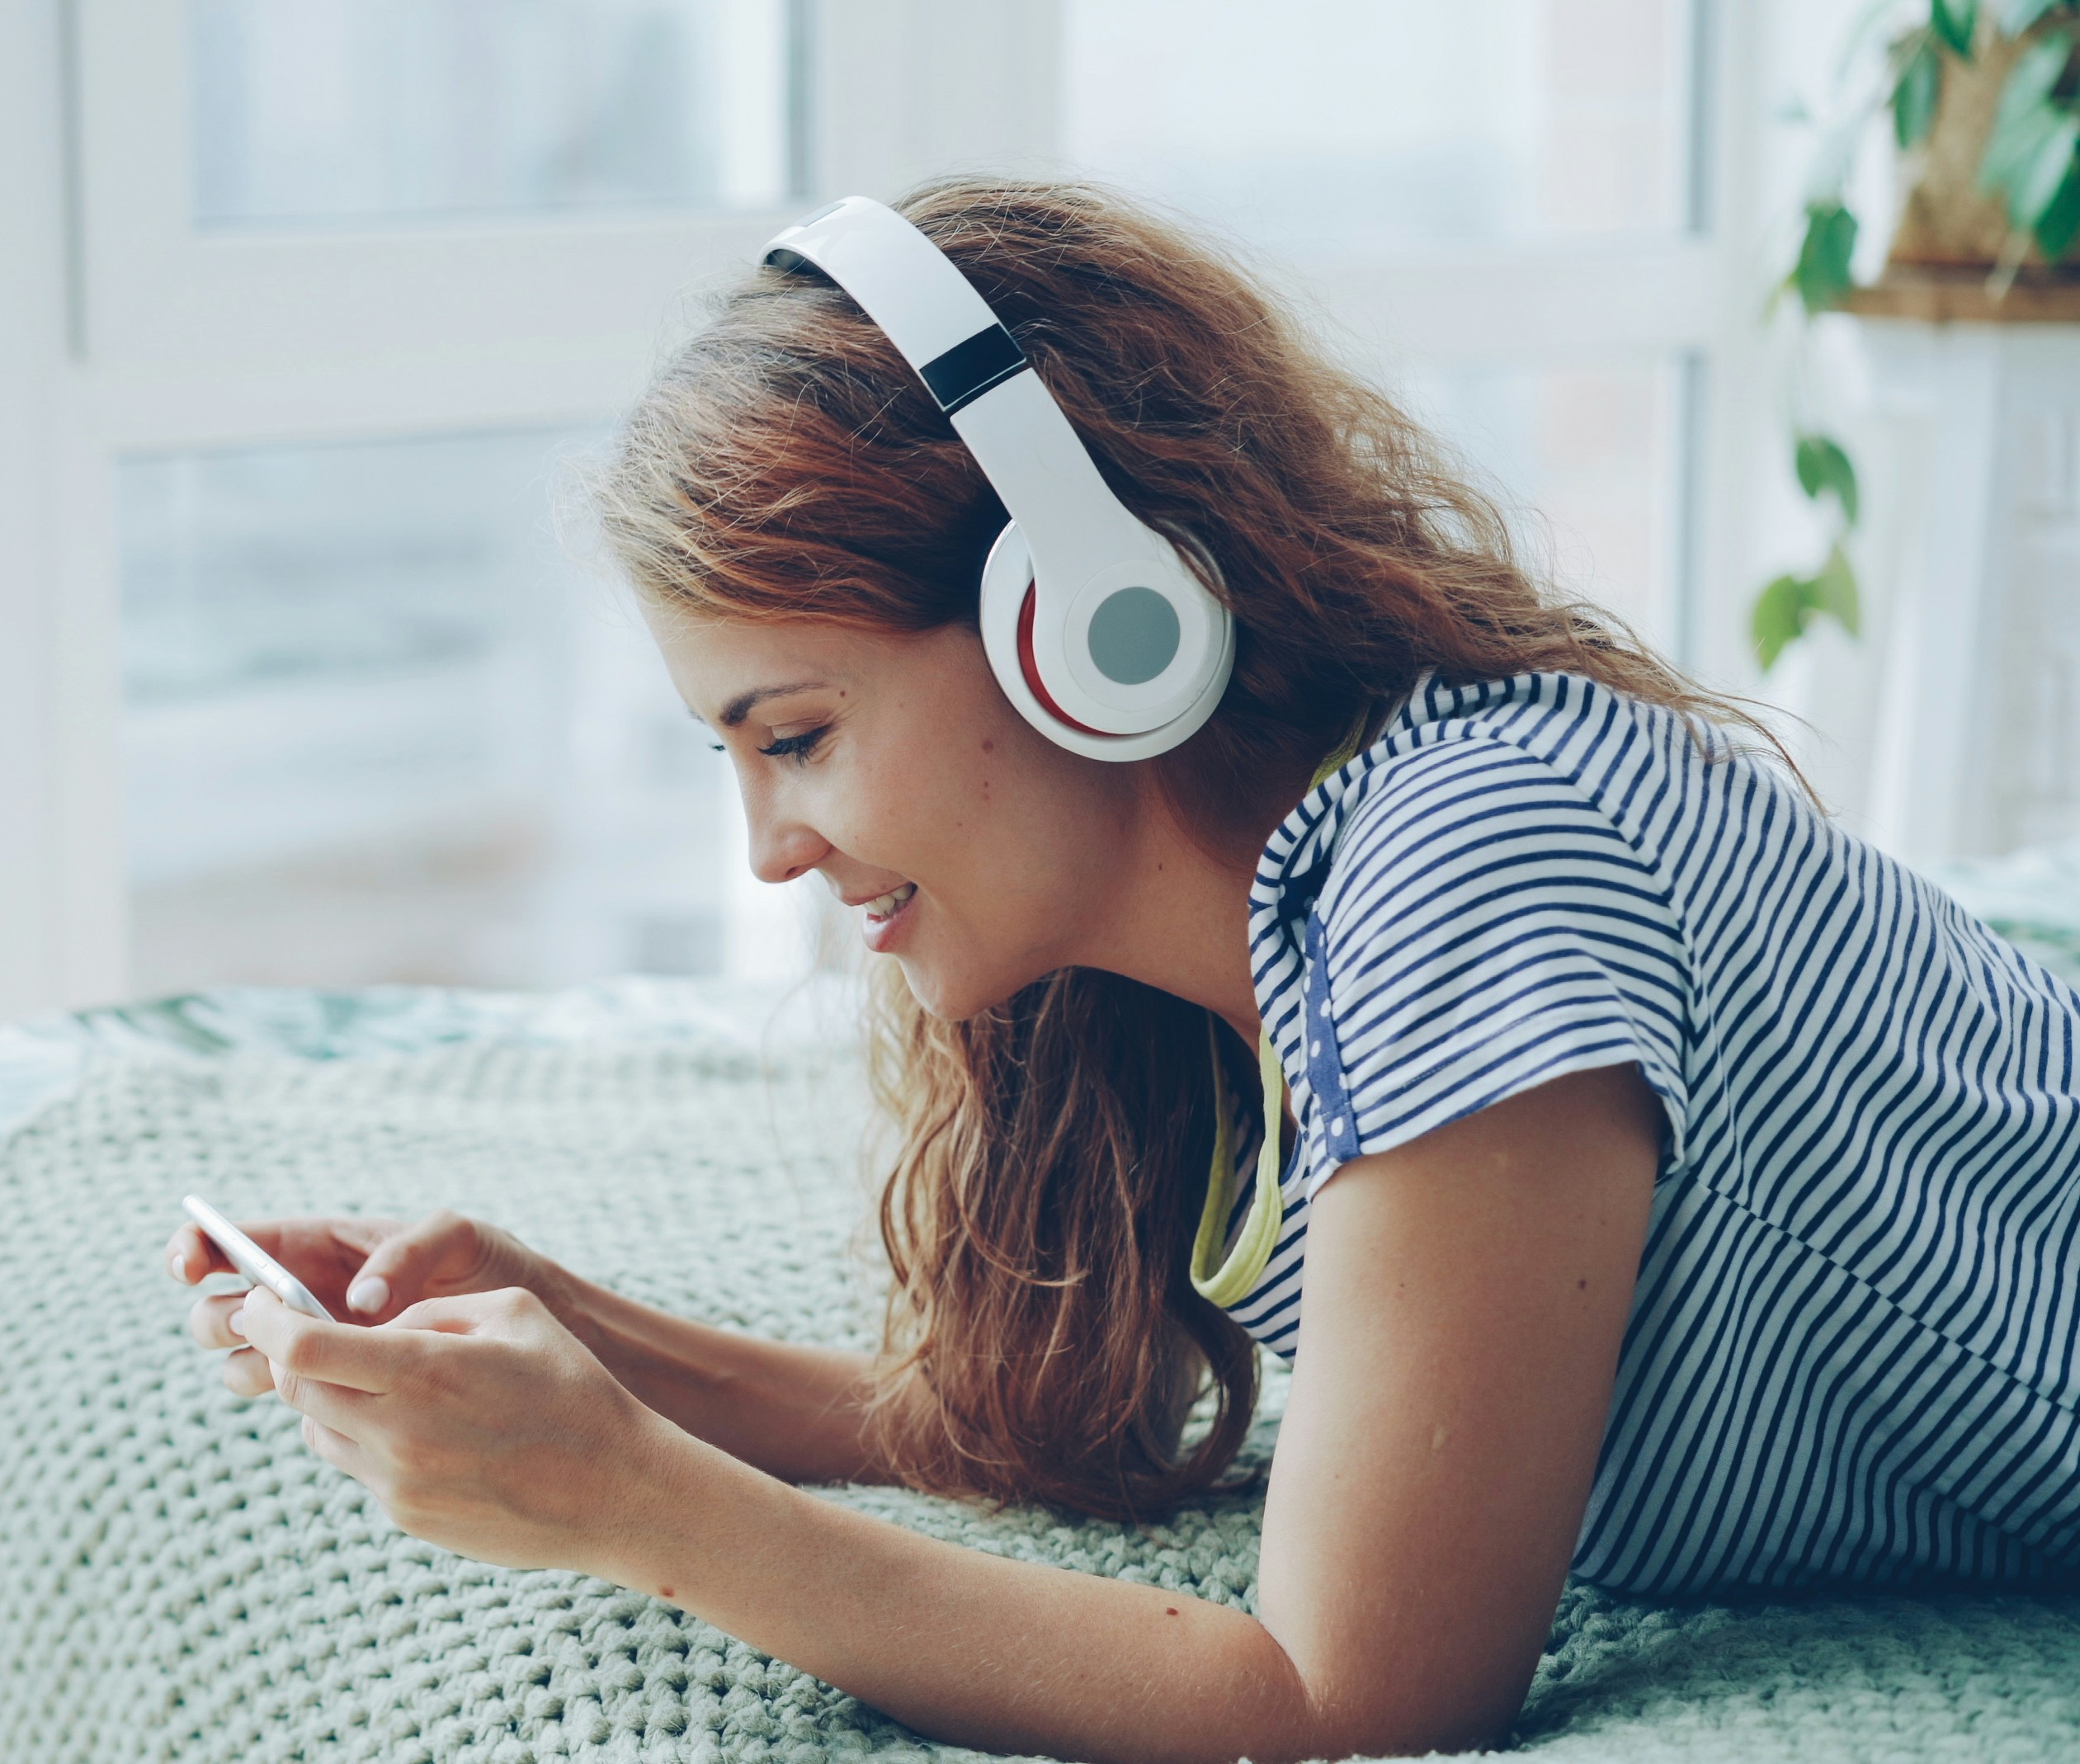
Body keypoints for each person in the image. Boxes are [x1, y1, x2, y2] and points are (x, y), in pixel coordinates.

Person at [163, 179, 2080, 1762]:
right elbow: (1056, 1427)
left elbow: (1347, 1704)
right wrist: (582, 1342)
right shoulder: (1237, 954)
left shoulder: (1469, 862)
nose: (769, 848)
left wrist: (639, 1507)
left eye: (801, 735)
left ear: (1086, 620)